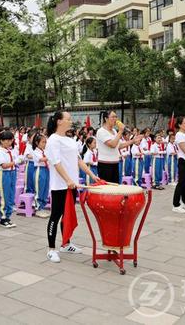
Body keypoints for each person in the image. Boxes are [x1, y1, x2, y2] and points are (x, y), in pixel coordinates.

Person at [44, 111, 98, 263]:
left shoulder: (70, 140)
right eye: (68, 119)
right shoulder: (53, 140)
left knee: (67, 214)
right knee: (56, 215)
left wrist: (92, 175)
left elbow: (78, 160)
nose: (70, 121)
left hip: (72, 184)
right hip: (60, 185)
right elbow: (56, 162)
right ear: (59, 121)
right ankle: (51, 249)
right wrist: (67, 180)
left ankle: (66, 243)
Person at [95, 111, 142, 183]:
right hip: (105, 164)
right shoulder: (101, 131)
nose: (116, 119)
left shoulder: (114, 131)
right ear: (106, 119)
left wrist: (133, 141)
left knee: (115, 187)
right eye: (113, 117)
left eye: (116, 117)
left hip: (115, 163)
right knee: (107, 189)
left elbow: (119, 145)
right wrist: (120, 131)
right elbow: (113, 145)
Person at [0, 131, 22, 228]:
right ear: (1, 141)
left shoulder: (10, 151)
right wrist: (15, 162)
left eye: (10, 140)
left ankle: (8, 216)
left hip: (12, 173)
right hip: (4, 174)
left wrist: (19, 160)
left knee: (11, 195)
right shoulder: (0, 152)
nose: (9, 142)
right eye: (6, 140)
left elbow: (15, 162)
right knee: (4, 196)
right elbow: (4, 165)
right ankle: (3, 218)